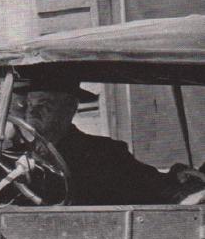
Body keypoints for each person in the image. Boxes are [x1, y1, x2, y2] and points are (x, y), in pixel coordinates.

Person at [12, 78, 205, 206]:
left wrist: (180, 183)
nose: (33, 112)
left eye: (45, 105)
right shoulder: (12, 154)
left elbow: (152, 187)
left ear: (69, 110)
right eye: (30, 105)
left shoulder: (104, 153)